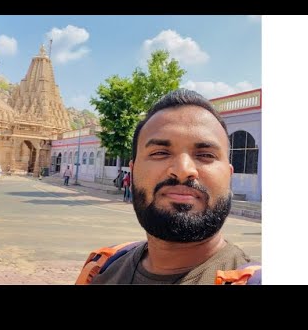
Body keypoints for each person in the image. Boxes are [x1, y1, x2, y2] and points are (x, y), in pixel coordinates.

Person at [77, 89, 259, 285]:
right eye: (160, 153)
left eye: (206, 155)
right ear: (133, 170)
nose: (183, 170)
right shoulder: (101, 268)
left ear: (228, 176)